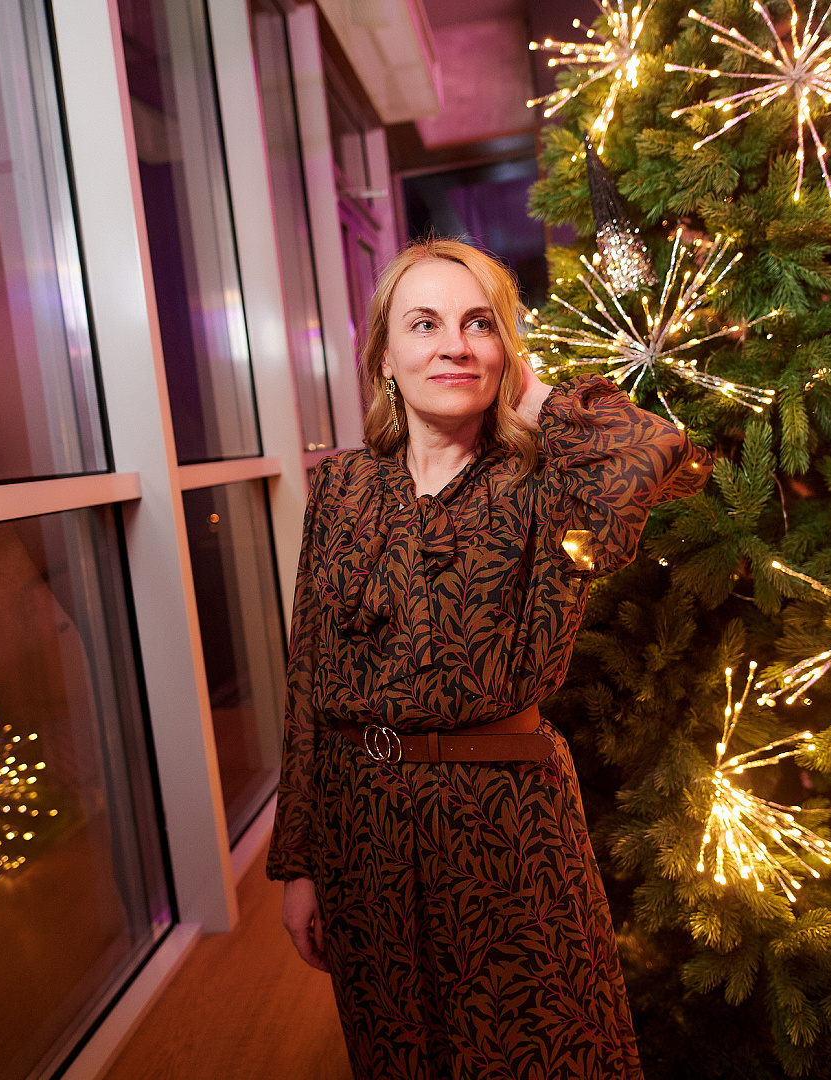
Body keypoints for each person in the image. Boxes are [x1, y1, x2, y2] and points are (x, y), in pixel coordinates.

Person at [265, 238, 713, 1079]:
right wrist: (301, 864)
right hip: (364, 834)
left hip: (507, 828)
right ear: (384, 357)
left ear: (507, 349)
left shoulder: (549, 486)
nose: (454, 346)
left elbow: (658, 451)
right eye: (424, 324)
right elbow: (307, 683)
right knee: (401, 1056)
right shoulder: (340, 490)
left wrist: (534, 396)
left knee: (537, 1056)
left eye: (479, 325)